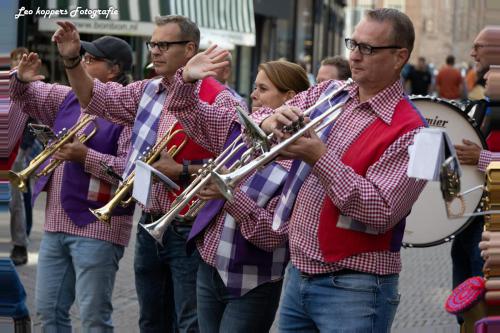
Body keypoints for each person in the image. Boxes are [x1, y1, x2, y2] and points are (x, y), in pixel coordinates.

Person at [52, 16, 244, 332]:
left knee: (189, 323)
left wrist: (181, 170)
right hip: (150, 220)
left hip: (190, 227)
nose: (154, 51)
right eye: (152, 44)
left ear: (190, 49)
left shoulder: (220, 96)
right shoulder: (149, 89)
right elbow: (94, 98)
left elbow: (237, 166)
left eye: (164, 45)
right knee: (151, 321)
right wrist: (72, 59)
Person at [247, 8, 425, 332]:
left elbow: (381, 211)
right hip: (298, 273)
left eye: (367, 49)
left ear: (400, 57)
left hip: (355, 287)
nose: (354, 56)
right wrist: (269, 120)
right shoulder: (330, 93)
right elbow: (264, 117)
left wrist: (319, 157)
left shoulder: (418, 134)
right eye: (353, 44)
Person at [166, 59, 309, 332]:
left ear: (290, 98)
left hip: (253, 282)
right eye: (255, 87)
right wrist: (186, 79)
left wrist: (228, 196)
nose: (253, 94)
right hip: (209, 267)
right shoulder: (238, 130)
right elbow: (185, 111)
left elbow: (274, 236)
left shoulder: (299, 161)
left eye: (263, 89)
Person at [9, 36, 134, 331]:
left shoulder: (129, 109)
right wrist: (20, 80)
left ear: (113, 70)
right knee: (47, 312)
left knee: (93, 319)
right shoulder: (65, 97)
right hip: (55, 224)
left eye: (90, 60)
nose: (82, 64)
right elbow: (24, 96)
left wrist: (85, 156)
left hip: (100, 227)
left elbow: (131, 173)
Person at [453, 26, 500, 327]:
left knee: (487, 313)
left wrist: (480, 158)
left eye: (478, 46)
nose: (472, 53)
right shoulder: (484, 103)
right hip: (471, 221)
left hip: (493, 227)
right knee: (466, 309)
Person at [8, 47, 31, 266]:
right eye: (15, 60)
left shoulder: (31, 87)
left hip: (17, 151)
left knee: (16, 200)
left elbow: (32, 123)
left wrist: (23, 149)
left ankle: (19, 245)